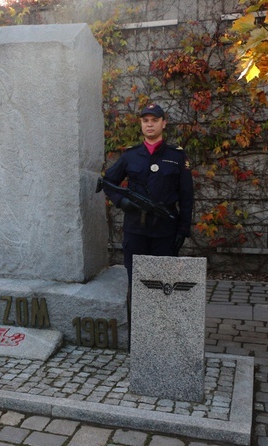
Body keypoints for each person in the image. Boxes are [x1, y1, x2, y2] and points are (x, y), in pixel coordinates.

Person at [101, 103, 193, 328]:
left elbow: (187, 196)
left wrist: (183, 229)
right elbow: (107, 182)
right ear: (141, 124)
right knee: (138, 283)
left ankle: (163, 330)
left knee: (164, 283)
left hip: (165, 231)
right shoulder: (130, 156)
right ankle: (139, 332)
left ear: (164, 123)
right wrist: (121, 201)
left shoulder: (177, 156)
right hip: (136, 231)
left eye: (154, 120)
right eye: (145, 120)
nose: (149, 124)